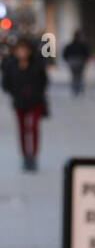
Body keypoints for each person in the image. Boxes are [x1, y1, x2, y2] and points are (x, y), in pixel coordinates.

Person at [1, 35, 48, 171]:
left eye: (24, 49)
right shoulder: (11, 65)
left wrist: (35, 92)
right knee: (21, 129)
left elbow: (43, 82)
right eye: (19, 50)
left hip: (35, 101)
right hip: (19, 102)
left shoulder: (37, 64)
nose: (22, 53)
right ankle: (25, 157)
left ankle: (33, 156)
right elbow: (6, 84)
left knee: (33, 127)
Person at [64, 29, 90, 96]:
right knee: (80, 76)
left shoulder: (71, 45)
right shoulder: (82, 45)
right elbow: (87, 53)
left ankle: (75, 89)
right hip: (80, 61)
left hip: (72, 61)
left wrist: (68, 60)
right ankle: (79, 88)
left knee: (74, 76)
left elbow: (65, 54)